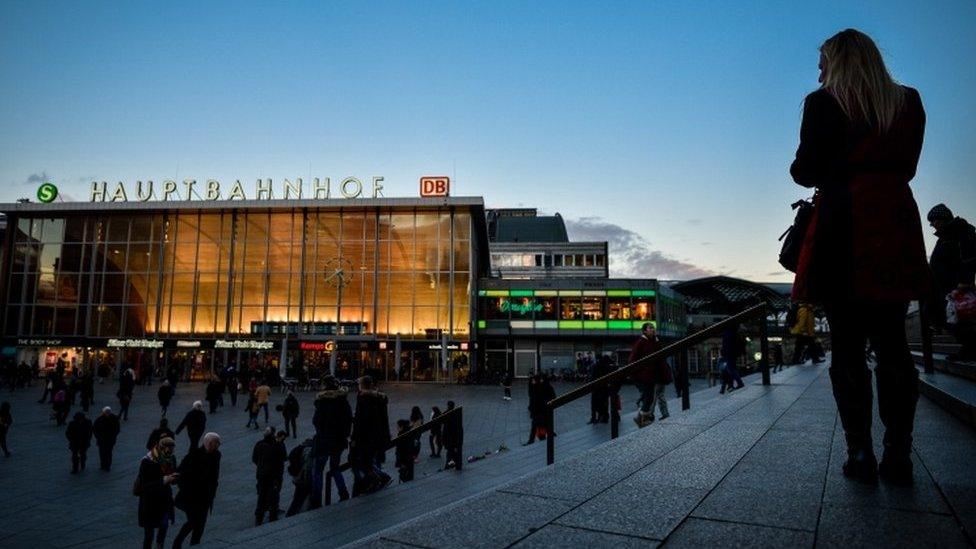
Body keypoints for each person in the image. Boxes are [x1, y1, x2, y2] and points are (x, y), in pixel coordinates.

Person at [790, 29, 929, 485]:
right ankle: (899, 453)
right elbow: (908, 166)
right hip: (892, 221)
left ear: (838, 61)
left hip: (841, 225)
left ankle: (860, 452)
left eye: (823, 61)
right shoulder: (908, 101)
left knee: (847, 346)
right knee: (893, 343)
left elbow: (804, 170)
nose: (819, 70)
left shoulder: (823, 102)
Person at [927, 203, 976, 359]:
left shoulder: (962, 231)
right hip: (943, 287)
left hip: (957, 286)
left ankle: (971, 348)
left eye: (933, 221)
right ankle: (968, 346)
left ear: (941, 218)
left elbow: (970, 256)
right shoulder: (944, 236)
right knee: (938, 314)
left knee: (960, 318)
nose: (932, 225)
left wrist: (965, 280)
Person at [172, 432, 222, 548]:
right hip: (191, 497)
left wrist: (213, 490)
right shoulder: (193, 456)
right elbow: (181, 474)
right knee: (193, 521)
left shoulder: (216, 455)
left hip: (206, 497)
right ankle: (177, 542)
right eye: (217, 443)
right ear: (209, 443)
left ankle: (195, 544)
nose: (219, 445)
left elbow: (214, 476)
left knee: (200, 525)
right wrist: (187, 489)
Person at [310, 376, 352, 508]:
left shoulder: (322, 402)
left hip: (323, 440)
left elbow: (316, 421)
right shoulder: (343, 401)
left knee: (318, 470)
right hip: (338, 441)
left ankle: (317, 499)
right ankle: (343, 492)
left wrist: (321, 431)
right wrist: (344, 434)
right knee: (335, 468)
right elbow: (348, 420)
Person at [349, 376, 391, 495]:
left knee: (363, 463)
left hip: (366, 437)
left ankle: (377, 480)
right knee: (369, 461)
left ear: (362, 386)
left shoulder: (364, 399)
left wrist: (354, 437)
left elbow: (361, 422)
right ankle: (379, 479)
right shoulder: (379, 398)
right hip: (378, 436)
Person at [137, 436, 178, 549]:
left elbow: (173, 472)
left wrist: (175, 477)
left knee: (164, 526)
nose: (170, 452)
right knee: (149, 534)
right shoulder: (147, 461)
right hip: (149, 502)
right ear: (161, 448)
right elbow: (144, 486)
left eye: (172, 449)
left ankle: (160, 546)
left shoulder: (171, 458)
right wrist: (163, 480)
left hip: (164, 500)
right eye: (168, 449)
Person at [629, 323, 672, 427]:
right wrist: (639, 372)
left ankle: (641, 418)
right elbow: (632, 360)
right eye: (650, 328)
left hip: (653, 375)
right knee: (648, 396)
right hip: (645, 376)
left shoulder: (654, 341)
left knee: (650, 397)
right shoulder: (641, 343)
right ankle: (643, 418)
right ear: (644, 331)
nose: (653, 330)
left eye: (653, 328)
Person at [252, 428, 288, 525]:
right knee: (274, 496)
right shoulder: (277, 446)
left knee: (261, 497)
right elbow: (284, 457)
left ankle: (259, 518)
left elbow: (254, 459)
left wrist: (261, 466)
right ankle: (273, 516)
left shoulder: (259, 444)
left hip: (261, 475)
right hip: (274, 476)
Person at [286, 437, 315, 516]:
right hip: (302, 478)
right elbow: (306, 467)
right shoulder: (308, 451)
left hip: (297, 478)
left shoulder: (299, 449)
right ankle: (291, 514)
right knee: (300, 497)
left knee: (298, 497)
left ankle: (292, 513)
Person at [92, 406, 121, 471]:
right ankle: (103, 465)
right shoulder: (99, 419)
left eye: (108, 412)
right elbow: (94, 429)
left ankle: (107, 466)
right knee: (103, 453)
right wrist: (97, 436)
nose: (107, 413)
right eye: (106, 412)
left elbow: (117, 429)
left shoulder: (114, 419)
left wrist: (113, 435)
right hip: (102, 439)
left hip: (109, 439)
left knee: (108, 453)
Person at [719, 325, 746, 394]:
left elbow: (726, 344)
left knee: (730, 368)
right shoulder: (734, 331)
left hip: (730, 353)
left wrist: (724, 352)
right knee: (730, 368)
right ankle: (731, 385)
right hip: (733, 353)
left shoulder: (728, 332)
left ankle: (739, 383)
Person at [588, 355, 612, 424]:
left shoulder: (595, 366)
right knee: (604, 403)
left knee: (594, 404)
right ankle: (603, 417)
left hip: (596, 388)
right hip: (604, 389)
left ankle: (594, 418)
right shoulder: (607, 367)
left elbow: (592, 377)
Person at [442, 400, 464, 470]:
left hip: (450, 437)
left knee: (450, 452)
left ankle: (448, 465)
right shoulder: (457, 413)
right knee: (454, 451)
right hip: (456, 437)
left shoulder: (446, 413)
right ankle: (456, 464)